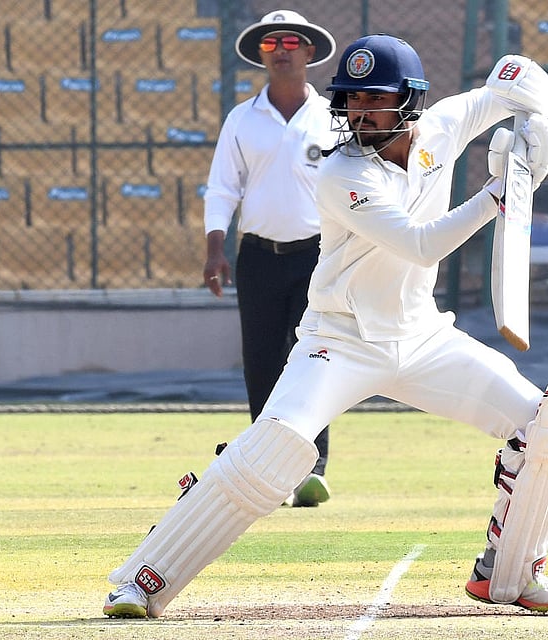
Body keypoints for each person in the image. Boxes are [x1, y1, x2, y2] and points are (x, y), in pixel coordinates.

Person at [103, 34, 548, 620]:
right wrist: (503, 189)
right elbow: (419, 244)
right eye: (350, 100)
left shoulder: (443, 125)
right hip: (339, 341)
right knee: (275, 451)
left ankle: (509, 574)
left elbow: (513, 82)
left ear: (409, 100)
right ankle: (140, 579)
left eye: (373, 99)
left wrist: (537, 123)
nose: (358, 112)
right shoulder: (340, 172)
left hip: (423, 337)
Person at [202, 9, 336, 507]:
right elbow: (221, 189)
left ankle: (312, 468)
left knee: (315, 359)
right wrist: (215, 248)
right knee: (262, 362)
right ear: (261, 54)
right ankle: (268, 472)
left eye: (291, 41)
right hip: (258, 256)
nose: (281, 50)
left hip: (318, 257)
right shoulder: (242, 119)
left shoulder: (331, 119)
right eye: (271, 43)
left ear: (308, 53)